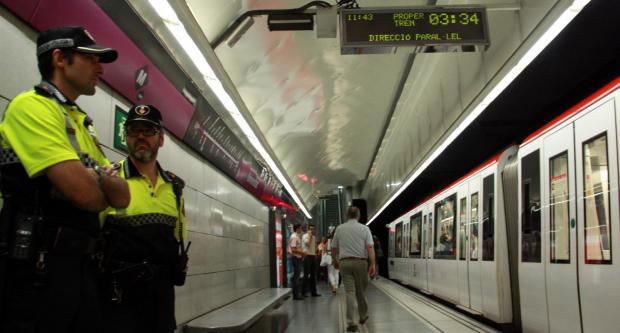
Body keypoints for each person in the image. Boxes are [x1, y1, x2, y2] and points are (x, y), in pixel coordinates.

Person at [0, 26, 130, 332]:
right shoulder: (32, 107)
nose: (100, 68)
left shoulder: (80, 121)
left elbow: (123, 196)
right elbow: (85, 196)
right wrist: (98, 184)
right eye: (91, 58)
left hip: (80, 267)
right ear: (60, 58)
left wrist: (93, 178)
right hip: (38, 269)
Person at [98, 104, 189, 333]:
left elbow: (179, 238)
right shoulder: (109, 178)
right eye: (133, 130)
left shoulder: (174, 187)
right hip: (118, 299)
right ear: (126, 136)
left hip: (162, 299)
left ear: (161, 138)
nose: (140, 136)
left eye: (148, 130)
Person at [331, 206, 376, 332]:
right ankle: (363, 315)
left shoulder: (340, 228)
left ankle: (351, 322)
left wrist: (335, 260)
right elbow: (370, 248)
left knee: (349, 292)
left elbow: (333, 248)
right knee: (361, 291)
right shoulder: (365, 229)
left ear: (347, 216)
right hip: (361, 263)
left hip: (345, 263)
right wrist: (373, 264)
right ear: (359, 216)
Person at [302, 223, 320, 297]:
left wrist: (315, 254)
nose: (312, 230)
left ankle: (313, 292)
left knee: (313, 275)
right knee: (306, 275)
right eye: (311, 229)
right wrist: (309, 236)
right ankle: (304, 292)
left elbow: (314, 247)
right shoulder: (305, 236)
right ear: (308, 229)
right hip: (307, 256)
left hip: (313, 256)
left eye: (313, 229)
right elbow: (308, 244)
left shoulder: (314, 237)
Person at [289, 223, 305, 300]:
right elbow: (293, 249)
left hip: (298, 258)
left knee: (297, 276)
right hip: (296, 258)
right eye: (300, 228)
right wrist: (303, 253)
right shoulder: (294, 237)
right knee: (296, 277)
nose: (301, 230)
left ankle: (297, 294)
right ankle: (296, 295)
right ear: (297, 229)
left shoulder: (296, 237)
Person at [326, 230, 340, 294]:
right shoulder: (339, 240)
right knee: (336, 272)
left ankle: (333, 286)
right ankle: (336, 286)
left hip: (330, 257)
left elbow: (327, 249)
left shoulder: (329, 240)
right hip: (337, 257)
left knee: (330, 272)